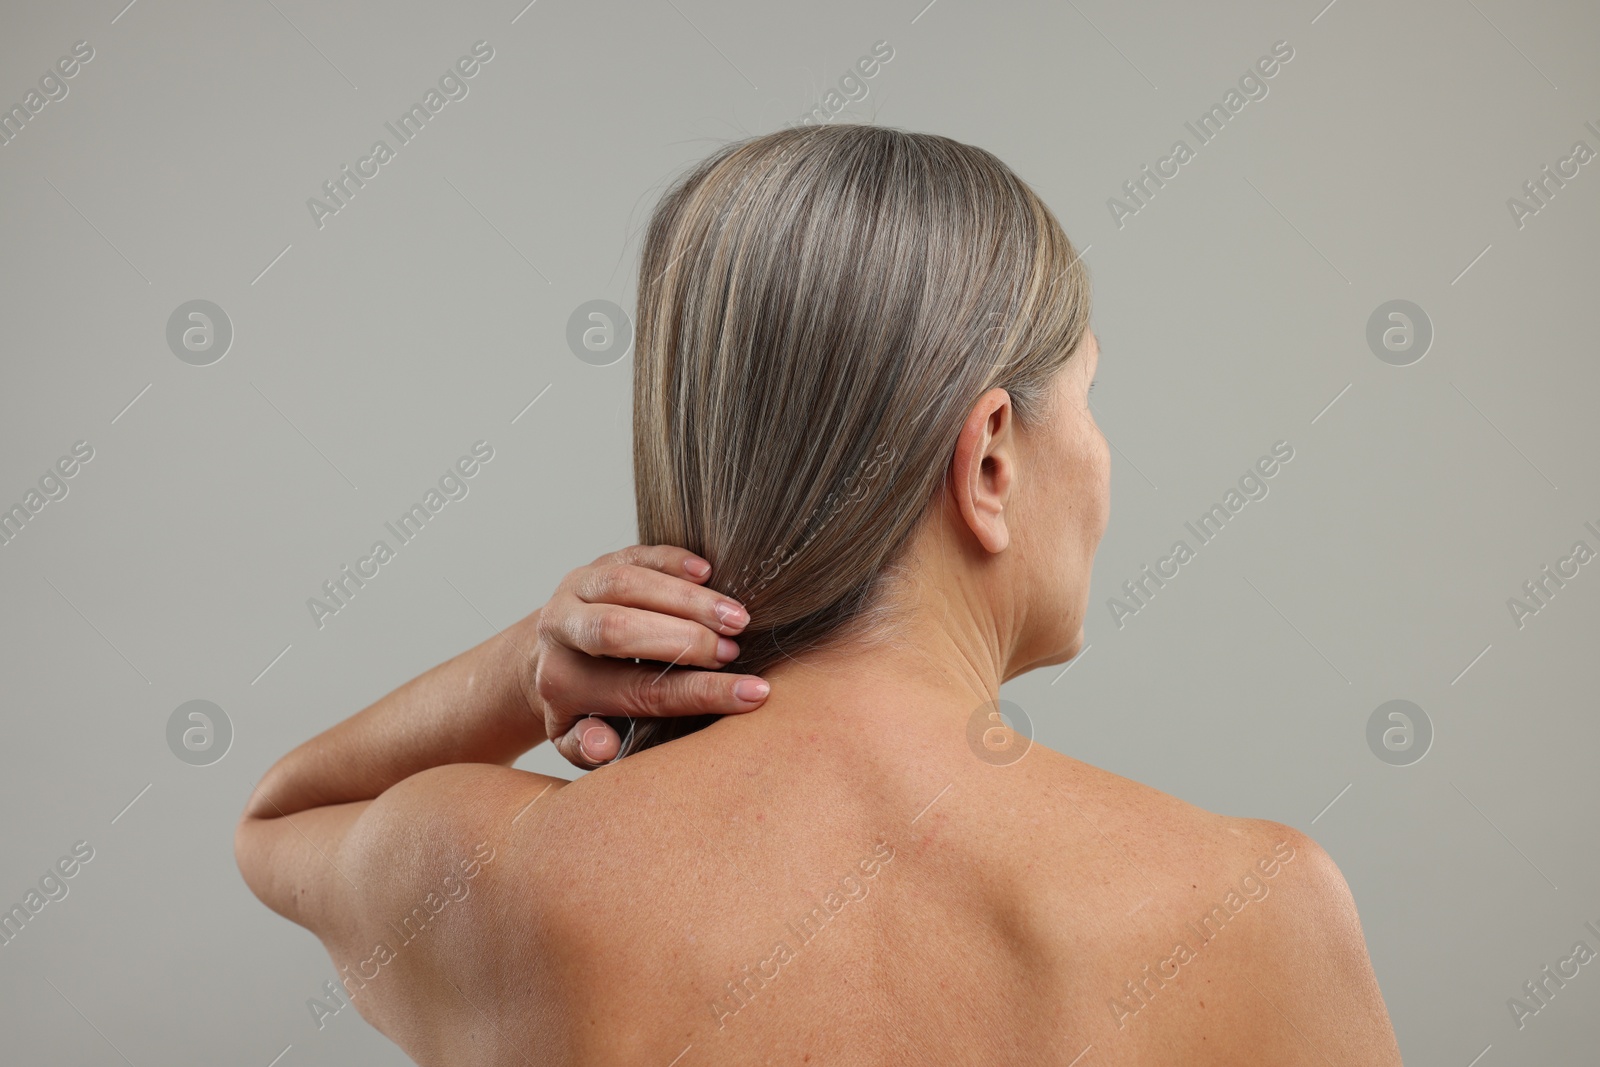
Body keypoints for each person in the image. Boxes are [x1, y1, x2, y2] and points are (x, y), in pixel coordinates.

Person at [236, 125, 1403, 1065]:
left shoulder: (493, 875)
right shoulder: (1250, 907)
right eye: (1090, 399)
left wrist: (526, 663)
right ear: (990, 456)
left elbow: (275, 821)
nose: (1105, 461)